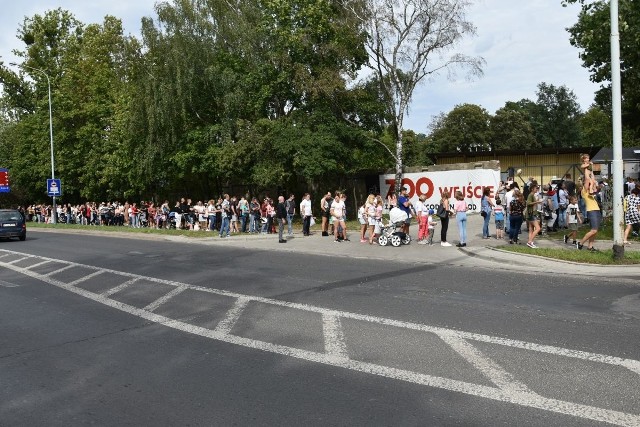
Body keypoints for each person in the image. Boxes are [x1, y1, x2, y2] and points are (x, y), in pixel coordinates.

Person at [576, 184, 601, 251]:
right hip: (591, 211)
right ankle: (580, 243)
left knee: (595, 231)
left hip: (597, 210)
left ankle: (590, 246)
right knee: (594, 230)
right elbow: (587, 179)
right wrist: (589, 175)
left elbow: (595, 186)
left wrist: (592, 174)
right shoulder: (584, 192)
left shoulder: (591, 193)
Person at [526, 183, 541, 248]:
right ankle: (530, 242)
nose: (537, 189)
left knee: (531, 229)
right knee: (538, 228)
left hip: (530, 214)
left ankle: (530, 242)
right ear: (532, 189)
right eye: (536, 188)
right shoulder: (531, 195)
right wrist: (537, 202)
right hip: (531, 214)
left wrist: (536, 201)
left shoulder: (532, 195)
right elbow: (528, 203)